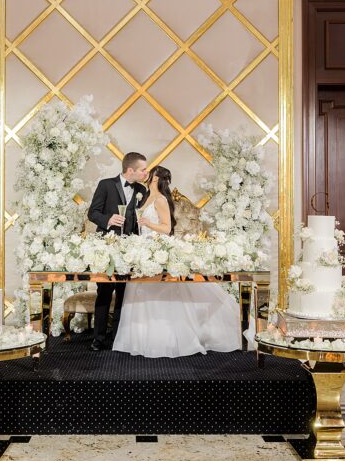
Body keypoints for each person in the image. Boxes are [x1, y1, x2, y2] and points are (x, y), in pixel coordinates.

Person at [111, 165, 242, 358]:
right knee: (139, 290)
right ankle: (142, 338)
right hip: (142, 250)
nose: (146, 174)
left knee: (157, 292)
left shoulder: (161, 199)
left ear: (156, 178)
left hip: (156, 249)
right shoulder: (145, 197)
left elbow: (166, 228)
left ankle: (167, 339)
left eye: (149, 172)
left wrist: (148, 223)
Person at [86, 151, 149, 350]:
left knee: (125, 294)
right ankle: (98, 339)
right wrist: (108, 219)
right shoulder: (106, 185)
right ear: (130, 170)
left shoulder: (141, 190)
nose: (146, 173)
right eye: (143, 170)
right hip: (107, 247)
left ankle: (118, 338)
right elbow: (92, 213)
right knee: (104, 292)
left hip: (130, 249)